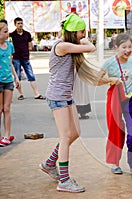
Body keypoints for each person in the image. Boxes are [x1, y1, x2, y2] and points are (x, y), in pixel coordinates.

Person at [39, 13, 111, 193]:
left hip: (66, 96)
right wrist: (85, 40)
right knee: (65, 136)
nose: (83, 36)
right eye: (81, 32)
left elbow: (86, 63)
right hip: (57, 96)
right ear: (72, 32)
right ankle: (64, 180)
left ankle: (49, 163)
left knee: (76, 133)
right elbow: (91, 48)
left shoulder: (70, 48)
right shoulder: (62, 46)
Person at [100, 33, 132, 177]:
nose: (127, 50)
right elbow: (97, 80)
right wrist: (111, 79)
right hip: (115, 98)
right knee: (116, 129)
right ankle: (115, 163)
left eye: (130, 47)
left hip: (131, 99)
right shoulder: (109, 63)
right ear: (116, 47)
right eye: (124, 47)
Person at [9, 17, 45, 100]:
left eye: (21, 23)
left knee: (31, 75)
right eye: (18, 23)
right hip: (16, 57)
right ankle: (20, 94)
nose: (20, 25)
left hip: (25, 57)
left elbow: (30, 45)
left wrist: (28, 51)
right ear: (15, 24)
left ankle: (36, 93)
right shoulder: (12, 35)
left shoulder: (27, 34)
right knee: (17, 76)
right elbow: (9, 45)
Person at [0, 21, 20, 147]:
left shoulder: (10, 46)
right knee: (0, 109)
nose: (7, 34)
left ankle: (7, 135)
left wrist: (16, 77)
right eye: (5, 32)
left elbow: (10, 63)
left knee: (7, 108)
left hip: (8, 81)